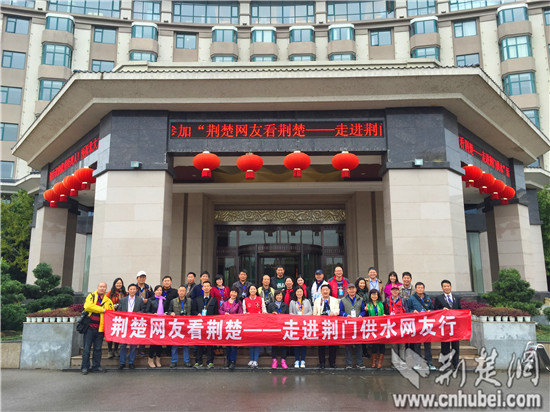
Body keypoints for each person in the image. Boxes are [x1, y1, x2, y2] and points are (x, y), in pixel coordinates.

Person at [81, 282, 114, 375]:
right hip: (89, 327)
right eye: (100, 286)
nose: (102, 288)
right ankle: (84, 367)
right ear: (97, 287)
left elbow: (111, 311)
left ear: (106, 289)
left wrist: (97, 308)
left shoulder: (108, 300)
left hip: (100, 328)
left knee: (98, 349)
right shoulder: (91, 296)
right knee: (86, 348)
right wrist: (101, 309)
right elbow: (87, 306)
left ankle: (96, 366)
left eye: (104, 287)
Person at [407, 281, 436, 370]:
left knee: (427, 344)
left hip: (426, 324)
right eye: (418, 288)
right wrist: (412, 311)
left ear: (424, 289)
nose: (420, 289)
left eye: (421, 288)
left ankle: (429, 362)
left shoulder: (428, 298)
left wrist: (430, 311)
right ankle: (418, 362)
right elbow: (408, 309)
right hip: (416, 324)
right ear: (415, 289)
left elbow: (432, 309)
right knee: (417, 344)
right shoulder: (411, 299)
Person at [434, 279, 462, 368]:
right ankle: (445, 363)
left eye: (448, 286)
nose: (446, 288)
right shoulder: (439, 298)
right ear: (442, 288)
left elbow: (460, 310)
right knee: (445, 345)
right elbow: (435, 310)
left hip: (455, 325)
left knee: (455, 345)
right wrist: (441, 310)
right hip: (444, 326)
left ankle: (455, 363)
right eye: (444, 286)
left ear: (451, 287)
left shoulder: (456, 298)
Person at [191, 280, 219, 369]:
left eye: (208, 286)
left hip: (210, 325)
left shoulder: (214, 300)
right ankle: (198, 362)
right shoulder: (197, 299)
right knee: (199, 343)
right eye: (205, 286)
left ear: (210, 288)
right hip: (200, 324)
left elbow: (216, 313)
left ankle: (210, 362)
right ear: (202, 288)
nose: (206, 288)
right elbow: (193, 311)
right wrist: (197, 314)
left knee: (210, 344)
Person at [117, 283, 144, 370]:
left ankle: (131, 362)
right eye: (131, 289)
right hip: (125, 324)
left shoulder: (139, 300)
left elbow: (143, 310)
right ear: (128, 290)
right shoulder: (123, 300)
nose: (132, 291)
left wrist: (135, 314)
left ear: (136, 290)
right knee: (123, 344)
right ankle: (122, 362)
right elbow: (119, 311)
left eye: (134, 289)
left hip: (135, 324)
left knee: (133, 345)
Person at [339, 283, 366, 369]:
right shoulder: (343, 300)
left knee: (359, 344)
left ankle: (360, 363)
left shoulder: (360, 299)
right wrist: (346, 315)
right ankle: (349, 363)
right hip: (348, 325)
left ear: (356, 290)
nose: (351, 290)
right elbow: (340, 311)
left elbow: (363, 310)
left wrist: (361, 315)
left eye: (353, 288)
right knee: (348, 345)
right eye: (350, 289)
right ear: (347, 290)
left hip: (358, 325)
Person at [313, 284, 340, 368]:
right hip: (321, 325)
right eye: (323, 290)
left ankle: (332, 362)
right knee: (321, 344)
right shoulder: (317, 301)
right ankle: (322, 362)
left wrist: (333, 313)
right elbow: (314, 313)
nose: (325, 291)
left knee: (332, 344)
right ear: (321, 291)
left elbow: (338, 311)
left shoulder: (334, 300)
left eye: (327, 290)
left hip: (331, 324)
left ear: (329, 291)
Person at [242, 284, 266, 368]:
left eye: (254, 289)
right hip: (249, 324)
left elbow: (264, 310)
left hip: (258, 323)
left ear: (256, 290)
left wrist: (263, 314)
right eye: (251, 289)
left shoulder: (260, 299)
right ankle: (251, 359)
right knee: (251, 342)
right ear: (249, 291)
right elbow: (243, 312)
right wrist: (246, 314)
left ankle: (255, 360)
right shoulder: (245, 300)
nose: (252, 290)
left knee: (257, 342)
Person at [168, 285, 192, 368]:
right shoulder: (173, 301)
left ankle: (187, 361)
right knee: (174, 344)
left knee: (186, 343)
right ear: (178, 292)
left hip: (186, 325)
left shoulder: (190, 301)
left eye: (183, 291)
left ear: (185, 292)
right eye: (180, 291)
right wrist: (171, 313)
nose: (182, 292)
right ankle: (174, 361)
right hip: (176, 325)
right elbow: (169, 311)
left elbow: (193, 311)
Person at [146, 285, 169, 368]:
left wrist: (166, 313)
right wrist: (153, 314)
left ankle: (158, 359)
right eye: (157, 290)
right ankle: (150, 358)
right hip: (153, 324)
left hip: (162, 323)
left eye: (160, 290)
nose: (159, 292)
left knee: (160, 342)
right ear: (154, 291)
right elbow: (146, 311)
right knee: (153, 342)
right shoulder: (150, 300)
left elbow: (167, 310)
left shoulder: (164, 300)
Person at [220, 286, 243, 370]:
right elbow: (220, 310)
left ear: (237, 294)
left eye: (235, 292)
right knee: (227, 345)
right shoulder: (225, 301)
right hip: (226, 325)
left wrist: (233, 316)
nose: (233, 294)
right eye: (232, 292)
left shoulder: (238, 302)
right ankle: (228, 361)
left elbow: (240, 313)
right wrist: (224, 313)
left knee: (233, 345)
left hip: (234, 325)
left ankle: (233, 361)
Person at [289, 286, 312, 368]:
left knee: (303, 342)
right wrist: (296, 317)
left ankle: (302, 360)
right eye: (298, 292)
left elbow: (310, 312)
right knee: (296, 342)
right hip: (295, 325)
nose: (299, 293)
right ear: (295, 293)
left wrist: (304, 316)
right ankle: (296, 360)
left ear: (303, 293)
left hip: (305, 324)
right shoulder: (292, 302)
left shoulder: (307, 301)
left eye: (300, 292)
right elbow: (290, 313)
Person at [105, 277, 127, 358]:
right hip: (111, 316)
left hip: (120, 316)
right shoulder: (110, 292)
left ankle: (116, 349)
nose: (119, 284)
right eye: (117, 283)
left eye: (120, 283)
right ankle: (109, 350)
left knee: (118, 333)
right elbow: (105, 302)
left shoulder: (124, 293)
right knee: (111, 332)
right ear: (114, 284)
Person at [266, 290, 289, 369]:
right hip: (274, 327)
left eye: (280, 295)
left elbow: (288, 316)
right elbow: (268, 316)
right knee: (274, 344)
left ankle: (283, 360)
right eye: (277, 295)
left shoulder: (285, 305)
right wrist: (272, 315)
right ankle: (274, 360)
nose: (279, 297)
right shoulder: (271, 305)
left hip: (283, 327)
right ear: (275, 296)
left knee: (284, 344)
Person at [366, 289, 386, 369]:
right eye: (373, 294)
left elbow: (385, 313)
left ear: (378, 296)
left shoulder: (381, 304)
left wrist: (384, 315)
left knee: (382, 344)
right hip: (372, 326)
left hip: (381, 326)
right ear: (370, 296)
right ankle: (373, 361)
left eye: (376, 294)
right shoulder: (368, 305)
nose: (374, 296)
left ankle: (380, 362)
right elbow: (366, 316)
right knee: (374, 344)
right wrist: (366, 311)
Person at [387, 285, 406, 366]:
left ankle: (402, 361)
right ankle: (395, 362)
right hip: (392, 324)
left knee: (402, 343)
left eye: (396, 290)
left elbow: (406, 310)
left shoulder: (403, 300)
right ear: (391, 291)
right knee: (394, 343)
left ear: (399, 291)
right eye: (393, 290)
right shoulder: (387, 300)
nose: (395, 291)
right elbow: (386, 311)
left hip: (401, 324)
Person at [135, 270, 153, 356]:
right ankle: (134, 349)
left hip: (145, 310)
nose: (142, 279)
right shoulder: (134, 287)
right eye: (140, 277)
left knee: (143, 330)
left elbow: (153, 297)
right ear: (137, 278)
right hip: (136, 311)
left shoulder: (148, 287)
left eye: (143, 277)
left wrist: (147, 300)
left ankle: (142, 349)